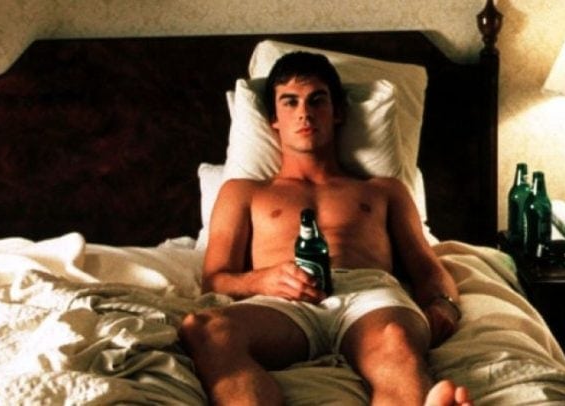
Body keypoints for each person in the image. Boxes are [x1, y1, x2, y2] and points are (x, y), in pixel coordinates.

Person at [178, 51, 470, 405]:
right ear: (273, 119)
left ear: (338, 112)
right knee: (205, 329)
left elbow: (428, 268)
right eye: (290, 102)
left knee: (397, 341)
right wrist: (262, 280)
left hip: (369, 296)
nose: (304, 112)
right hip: (283, 301)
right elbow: (215, 279)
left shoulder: (382, 190)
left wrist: (445, 306)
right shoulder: (244, 192)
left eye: (317, 100)